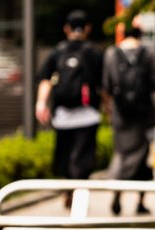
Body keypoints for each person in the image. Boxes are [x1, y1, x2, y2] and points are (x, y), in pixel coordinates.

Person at [35, 10, 104, 201]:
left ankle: (68, 187)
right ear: (88, 28)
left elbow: (45, 79)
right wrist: (109, 107)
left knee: (65, 153)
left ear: (66, 28)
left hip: (62, 114)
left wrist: (41, 103)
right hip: (88, 114)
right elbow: (103, 85)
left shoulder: (57, 51)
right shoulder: (94, 53)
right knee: (84, 155)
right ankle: (79, 190)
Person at [102, 24, 155, 216]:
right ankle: (140, 202)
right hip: (144, 115)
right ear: (140, 35)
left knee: (121, 155)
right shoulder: (147, 54)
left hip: (121, 115)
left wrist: (109, 111)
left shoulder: (111, 54)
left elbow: (106, 87)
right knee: (142, 158)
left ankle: (116, 194)